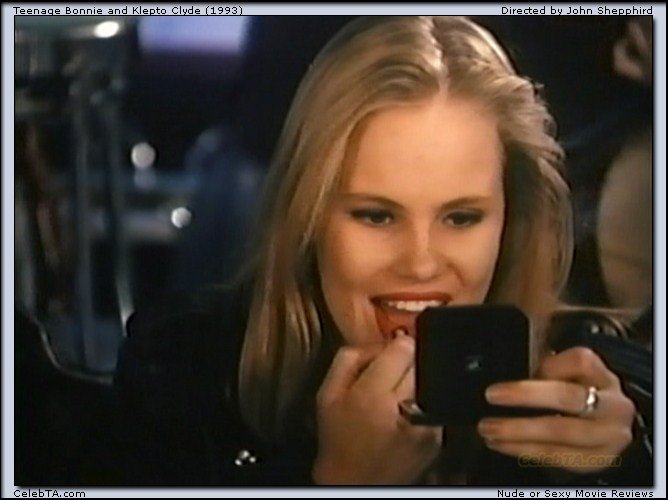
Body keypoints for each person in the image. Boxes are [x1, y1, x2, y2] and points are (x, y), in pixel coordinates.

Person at [114, 16, 650, 486]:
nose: (420, 263)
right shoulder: (182, 374)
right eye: (376, 216)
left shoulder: (598, 384)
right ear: (308, 217)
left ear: (511, 221)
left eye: (461, 218)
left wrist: (619, 474)